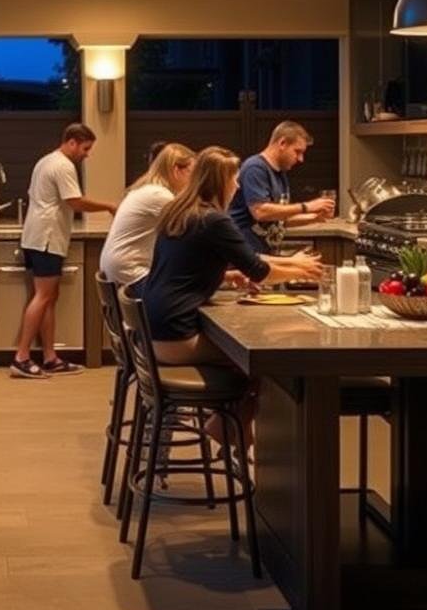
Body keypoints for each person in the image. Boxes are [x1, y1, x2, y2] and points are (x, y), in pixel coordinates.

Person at [141, 145, 323, 445]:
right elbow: (258, 270)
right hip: (176, 339)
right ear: (219, 181)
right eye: (233, 179)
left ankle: (232, 427)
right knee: (265, 361)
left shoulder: (180, 211)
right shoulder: (213, 220)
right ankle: (234, 431)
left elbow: (192, 267)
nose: (237, 185)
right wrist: (300, 270)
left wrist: (228, 275)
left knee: (257, 357)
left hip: (155, 331)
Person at [12, 123, 117, 379]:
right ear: (72, 142)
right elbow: (75, 201)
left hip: (38, 236)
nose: (86, 154)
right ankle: (21, 358)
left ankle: (50, 357)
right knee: (44, 296)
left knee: (48, 297)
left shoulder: (45, 161)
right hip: (47, 238)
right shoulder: (63, 165)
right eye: (85, 148)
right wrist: (110, 206)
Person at [228, 120, 335, 253]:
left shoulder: (280, 172)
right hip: (244, 250)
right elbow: (260, 212)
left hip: (263, 249)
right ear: (282, 143)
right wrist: (307, 207)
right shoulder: (255, 168)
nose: (301, 159)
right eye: (297, 151)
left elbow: (279, 219)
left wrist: (315, 218)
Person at [100, 143, 195, 289]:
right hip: (131, 273)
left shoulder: (145, 189)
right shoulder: (160, 195)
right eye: (191, 173)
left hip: (119, 269)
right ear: (177, 170)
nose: (193, 181)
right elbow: (190, 232)